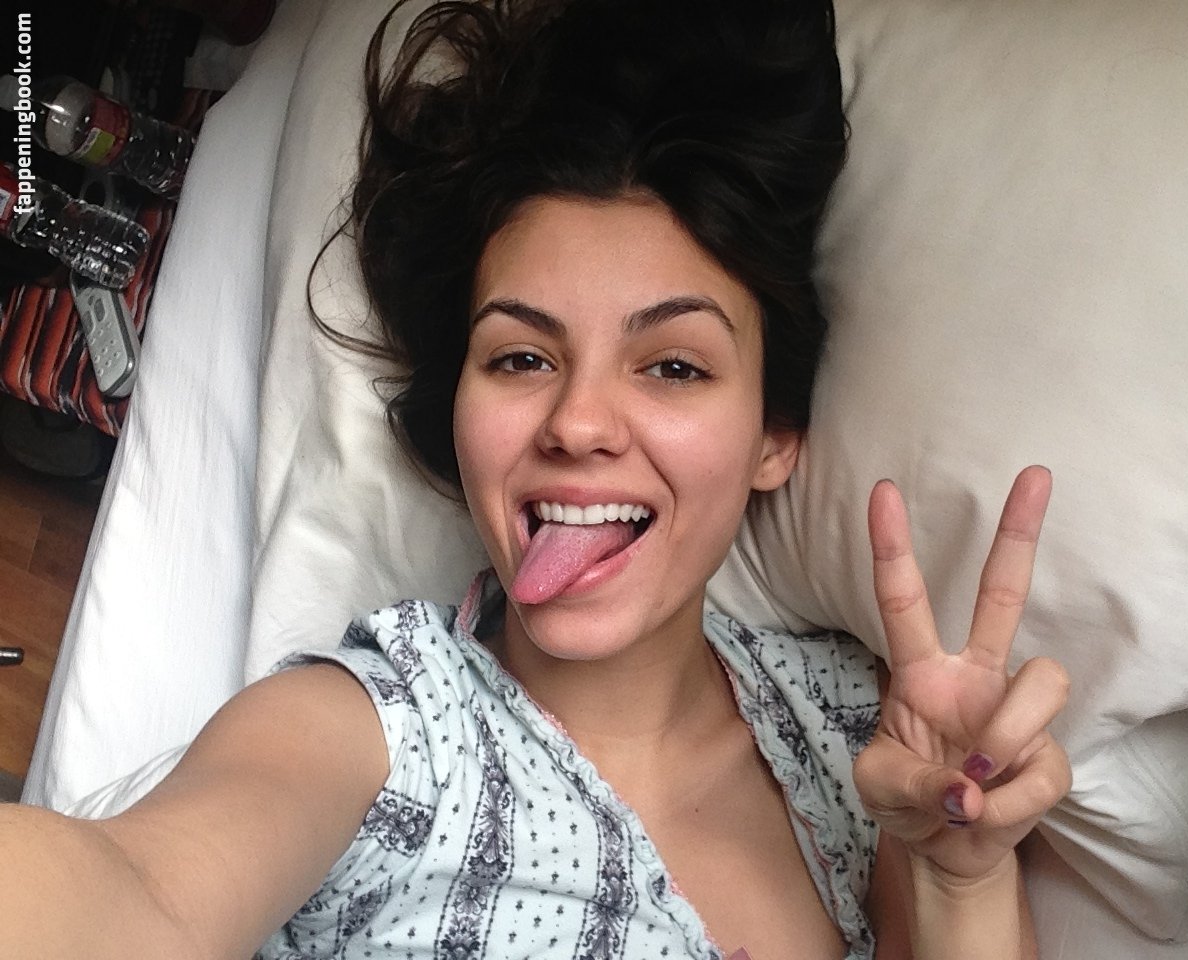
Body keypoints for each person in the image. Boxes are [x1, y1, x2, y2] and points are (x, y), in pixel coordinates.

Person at [0, 1, 1070, 958]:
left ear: (773, 438)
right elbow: (142, 892)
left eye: (673, 366)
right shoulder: (378, 740)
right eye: (520, 357)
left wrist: (959, 882)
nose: (576, 422)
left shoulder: (864, 736)